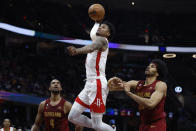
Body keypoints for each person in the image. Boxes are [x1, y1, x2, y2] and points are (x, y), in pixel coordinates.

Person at [67, 21, 116, 131]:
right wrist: (97, 21)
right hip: (89, 84)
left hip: (97, 83)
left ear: (108, 33)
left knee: (97, 125)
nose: (100, 28)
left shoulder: (102, 41)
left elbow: (91, 47)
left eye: (103, 27)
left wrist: (77, 50)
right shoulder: (97, 37)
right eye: (100, 26)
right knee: (72, 117)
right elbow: (93, 33)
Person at [108, 59, 168, 131]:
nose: (148, 67)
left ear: (157, 73)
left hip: (157, 124)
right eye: (148, 65)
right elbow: (118, 86)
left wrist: (130, 93)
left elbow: (150, 104)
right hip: (143, 124)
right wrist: (116, 81)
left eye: (152, 66)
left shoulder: (161, 85)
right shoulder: (137, 84)